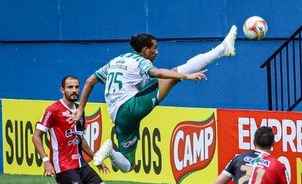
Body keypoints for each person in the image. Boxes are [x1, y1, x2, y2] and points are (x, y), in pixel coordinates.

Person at [69, 27, 237, 173]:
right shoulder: (140, 62)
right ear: (145, 50)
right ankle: (221, 49)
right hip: (131, 106)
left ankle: (110, 151)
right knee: (173, 75)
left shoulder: (116, 60)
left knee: (128, 165)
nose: (157, 52)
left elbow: (90, 81)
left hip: (118, 117)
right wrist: (187, 76)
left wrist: (81, 108)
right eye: (154, 48)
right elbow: (157, 73)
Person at [32, 75, 112, 184]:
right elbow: (37, 136)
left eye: (76, 87)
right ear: (62, 90)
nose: (74, 90)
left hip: (80, 163)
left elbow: (79, 138)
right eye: (70, 87)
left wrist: (95, 158)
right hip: (63, 166)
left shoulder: (79, 110)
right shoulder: (53, 110)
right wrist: (46, 161)